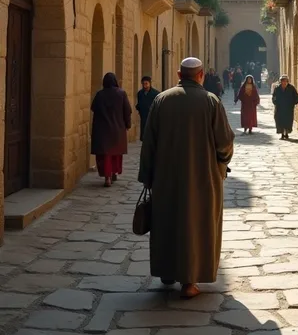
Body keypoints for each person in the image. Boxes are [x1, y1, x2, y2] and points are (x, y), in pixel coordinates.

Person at [139, 57, 234, 299]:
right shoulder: (211, 102)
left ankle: (168, 272)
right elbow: (224, 142)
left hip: (166, 177)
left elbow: (149, 142)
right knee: (196, 225)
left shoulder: (162, 100)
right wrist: (222, 164)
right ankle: (190, 281)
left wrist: (147, 176)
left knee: (168, 223)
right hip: (204, 179)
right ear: (201, 75)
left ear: (179, 75)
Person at [91, 72, 132, 187]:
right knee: (115, 153)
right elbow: (127, 111)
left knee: (105, 155)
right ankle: (114, 172)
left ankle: (107, 177)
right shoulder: (121, 94)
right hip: (117, 128)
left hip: (103, 129)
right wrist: (127, 124)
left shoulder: (100, 95)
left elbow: (93, 108)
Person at [272, 74, 298, 140]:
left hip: (288, 108)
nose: (284, 82)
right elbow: (274, 97)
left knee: (287, 121)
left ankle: (286, 133)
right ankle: (282, 134)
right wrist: (275, 102)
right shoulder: (277, 88)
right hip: (279, 108)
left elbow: (297, 96)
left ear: (287, 81)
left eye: (285, 81)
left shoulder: (291, 88)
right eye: (282, 81)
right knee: (279, 120)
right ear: (280, 82)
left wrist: (293, 103)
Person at [136, 76, 159, 141]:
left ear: (150, 83)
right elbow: (139, 103)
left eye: (146, 83)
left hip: (152, 116)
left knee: (151, 133)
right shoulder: (140, 93)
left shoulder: (156, 94)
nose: (145, 86)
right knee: (144, 133)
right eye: (143, 84)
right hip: (143, 116)